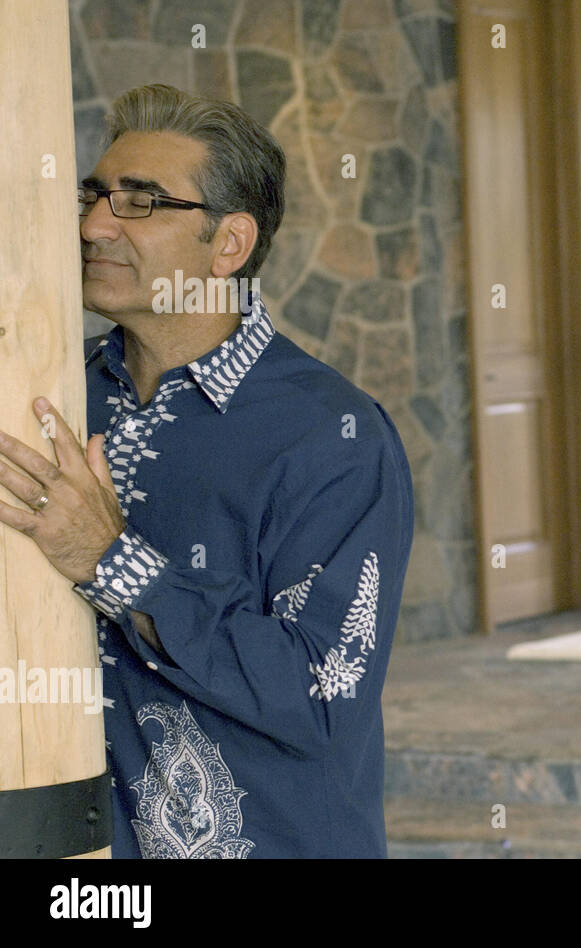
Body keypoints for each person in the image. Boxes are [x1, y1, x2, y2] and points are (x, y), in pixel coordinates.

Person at [0, 84, 414, 858]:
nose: (94, 225)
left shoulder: (332, 435)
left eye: (142, 203)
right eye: (94, 196)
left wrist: (112, 563)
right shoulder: (50, 402)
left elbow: (322, 693)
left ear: (228, 244)